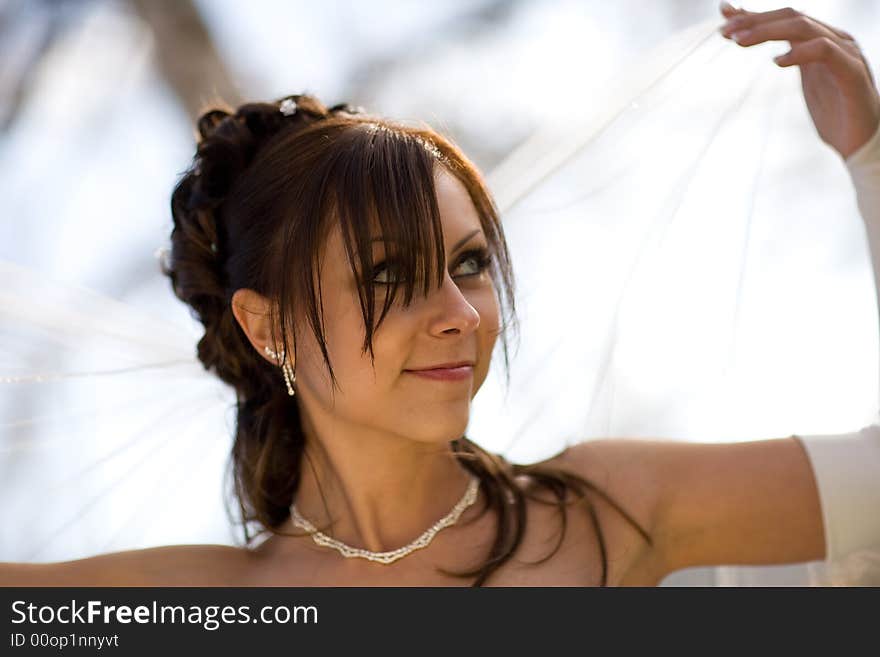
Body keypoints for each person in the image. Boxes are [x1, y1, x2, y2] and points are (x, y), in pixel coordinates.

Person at [2, 2, 879, 587]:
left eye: (468, 263)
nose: (460, 315)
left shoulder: (611, 511)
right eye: (388, 276)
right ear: (266, 325)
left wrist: (871, 157)